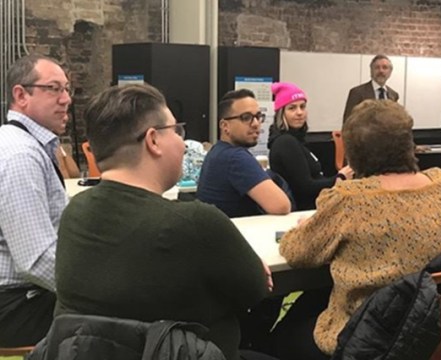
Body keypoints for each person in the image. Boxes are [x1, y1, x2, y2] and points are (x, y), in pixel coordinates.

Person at [55, 83, 277, 360]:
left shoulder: (74, 213)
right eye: (176, 130)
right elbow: (257, 289)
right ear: (153, 140)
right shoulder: (195, 222)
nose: (183, 143)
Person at [271, 99, 441, 360]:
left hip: (367, 343)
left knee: (281, 337)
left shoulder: (350, 199)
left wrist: (307, 227)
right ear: (408, 144)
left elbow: (296, 252)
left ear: (354, 153)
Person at [0, 53, 72, 347]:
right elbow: (36, 259)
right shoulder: (20, 155)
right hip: (16, 305)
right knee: (124, 321)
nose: (66, 99)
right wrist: (95, 288)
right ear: (21, 95)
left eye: (67, 89)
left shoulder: (26, 145)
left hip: (25, 295)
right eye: (54, 88)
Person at [197, 89, 291, 217]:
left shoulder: (217, 151)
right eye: (246, 118)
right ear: (225, 126)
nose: (256, 124)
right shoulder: (235, 158)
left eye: (258, 116)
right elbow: (282, 206)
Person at [268, 82, 353, 210]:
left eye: (302, 107)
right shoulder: (286, 143)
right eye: (292, 108)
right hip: (300, 213)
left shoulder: (296, 141)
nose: (299, 112)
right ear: (281, 113)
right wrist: (340, 177)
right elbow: (306, 187)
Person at [343, 54, 399, 122]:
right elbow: (348, 122)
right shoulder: (357, 92)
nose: (381, 71)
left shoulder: (394, 95)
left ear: (390, 72)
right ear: (371, 71)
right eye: (377, 67)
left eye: (385, 67)